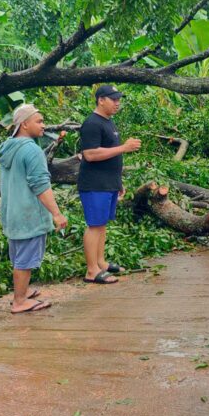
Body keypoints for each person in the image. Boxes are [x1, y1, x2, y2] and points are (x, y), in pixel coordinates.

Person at [0, 104, 68, 313]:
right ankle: (20, 301)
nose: (43, 125)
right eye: (39, 121)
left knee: (19, 257)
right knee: (25, 260)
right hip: (28, 214)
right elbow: (40, 185)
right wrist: (56, 213)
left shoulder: (8, 147)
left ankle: (22, 293)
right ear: (24, 124)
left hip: (12, 213)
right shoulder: (32, 150)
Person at [78, 85, 141, 284]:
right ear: (101, 100)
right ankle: (91, 271)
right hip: (94, 184)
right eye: (113, 99)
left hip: (108, 183)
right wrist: (124, 147)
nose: (117, 103)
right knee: (94, 225)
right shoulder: (92, 123)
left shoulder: (109, 123)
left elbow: (111, 154)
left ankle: (101, 263)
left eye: (118, 99)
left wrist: (118, 181)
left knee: (102, 225)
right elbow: (90, 154)